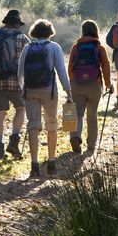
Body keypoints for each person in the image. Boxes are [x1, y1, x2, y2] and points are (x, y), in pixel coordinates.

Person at [18, 19, 72, 177]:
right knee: (52, 125)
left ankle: (34, 165)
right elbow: (61, 71)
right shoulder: (54, 47)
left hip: (30, 91)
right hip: (49, 91)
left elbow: (20, 73)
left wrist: (23, 90)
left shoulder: (27, 48)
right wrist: (68, 91)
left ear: (34, 32)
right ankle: (51, 162)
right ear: (50, 32)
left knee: (33, 126)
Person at [0, 10, 30, 160]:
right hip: (16, 81)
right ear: (17, 24)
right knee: (21, 109)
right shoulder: (23, 38)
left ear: (5, 23)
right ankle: (14, 141)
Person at [67, 20, 112, 153]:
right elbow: (105, 66)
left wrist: (72, 82)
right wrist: (108, 84)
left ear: (83, 31)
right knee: (92, 115)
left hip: (77, 84)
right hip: (94, 84)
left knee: (75, 113)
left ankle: (75, 137)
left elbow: (70, 66)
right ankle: (91, 145)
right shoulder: (99, 48)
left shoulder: (76, 47)